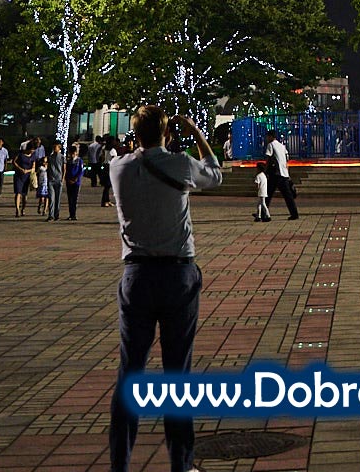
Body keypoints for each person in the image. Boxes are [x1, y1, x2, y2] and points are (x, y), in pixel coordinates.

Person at [107, 105, 222, 472]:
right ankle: (181, 463)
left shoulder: (118, 168)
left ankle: (120, 463)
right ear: (167, 133)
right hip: (176, 273)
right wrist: (198, 135)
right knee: (177, 373)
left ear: (134, 132)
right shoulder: (180, 163)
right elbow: (215, 175)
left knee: (131, 372)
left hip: (136, 274)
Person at [263, 131, 300, 219]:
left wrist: (265, 171)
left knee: (267, 194)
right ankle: (294, 213)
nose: (266, 139)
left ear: (271, 137)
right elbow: (286, 160)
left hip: (275, 174)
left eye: (267, 137)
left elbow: (268, 159)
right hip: (284, 174)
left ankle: (263, 213)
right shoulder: (282, 146)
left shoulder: (271, 145)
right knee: (288, 196)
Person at [11, 140, 35, 218]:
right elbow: (14, 162)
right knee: (18, 192)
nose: (31, 152)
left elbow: (33, 167)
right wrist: (20, 168)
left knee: (24, 194)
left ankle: (23, 208)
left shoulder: (33, 156)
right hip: (19, 175)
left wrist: (28, 170)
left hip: (27, 176)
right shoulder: (20, 154)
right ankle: (17, 209)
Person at [65, 143, 84, 220]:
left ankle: (74, 214)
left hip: (76, 182)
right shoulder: (68, 161)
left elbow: (81, 171)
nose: (72, 155)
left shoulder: (79, 161)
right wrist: (68, 179)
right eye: (71, 153)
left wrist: (76, 178)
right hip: (69, 182)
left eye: (73, 153)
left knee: (75, 198)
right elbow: (66, 171)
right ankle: (71, 214)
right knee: (70, 198)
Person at [47, 141, 64, 220]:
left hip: (58, 179)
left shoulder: (62, 157)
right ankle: (51, 215)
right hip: (51, 179)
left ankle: (57, 214)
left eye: (56, 147)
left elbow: (64, 169)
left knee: (58, 198)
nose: (54, 148)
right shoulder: (50, 157)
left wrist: (62, 179)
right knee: (51, 198)